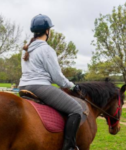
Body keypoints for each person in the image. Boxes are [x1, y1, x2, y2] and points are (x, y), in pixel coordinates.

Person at [19, 14, 83, 150]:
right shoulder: (46, 49)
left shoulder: (26, 49)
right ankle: (69, 147)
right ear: (47, 31)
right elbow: (57, 77)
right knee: (77, 109)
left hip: (23, 86)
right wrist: (72, 86)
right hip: (40, 87)